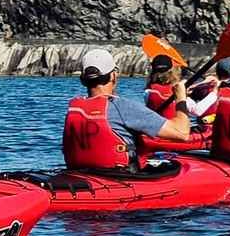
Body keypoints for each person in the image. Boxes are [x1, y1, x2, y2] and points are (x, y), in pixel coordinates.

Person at [62, 48, 197, 171]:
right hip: (119, 177)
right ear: (113, 76)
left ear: (82, 80)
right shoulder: (123, 107)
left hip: (78, 174)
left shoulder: (74, 109)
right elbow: (182, 133)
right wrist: (181, 97)